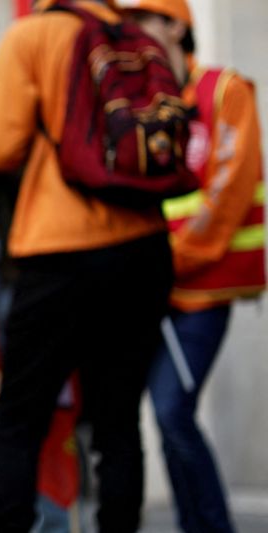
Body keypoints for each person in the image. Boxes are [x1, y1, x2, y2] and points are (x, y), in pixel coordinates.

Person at [0, 1, 174, 531]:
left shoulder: (32, 36)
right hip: (145, 248)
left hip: (59, 251)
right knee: (118, 423)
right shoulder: (136, 37)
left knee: (20, 421)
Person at [121, 1, 265, 531]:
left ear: (176, 27)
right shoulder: (141, 105)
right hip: (153, 290)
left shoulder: (226, 91)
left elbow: (229, 190)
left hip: (204, 289)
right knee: (166, 419)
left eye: (143, 22)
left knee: (171, 412)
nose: (131, 35)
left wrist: (167, 260)